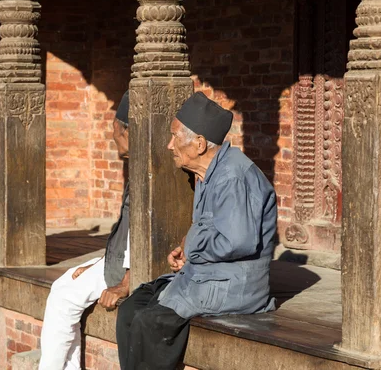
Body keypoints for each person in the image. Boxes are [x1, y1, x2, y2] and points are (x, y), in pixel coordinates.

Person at [116, 91, 277, 370]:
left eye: (175, 136)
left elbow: (238, 241)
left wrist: (191, 246)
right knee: (132, 308)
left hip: (233, 285)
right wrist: (187, 248)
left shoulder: (232, 177)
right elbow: (211, 231)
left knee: (150, 322)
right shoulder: (205, 174)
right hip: (206, 275)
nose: (169, 145)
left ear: (199, 143)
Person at [38, 91, 131, 370]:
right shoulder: (137, 166)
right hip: (120, 262)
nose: (112, 137)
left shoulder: (149, 170)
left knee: (64, 298)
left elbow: (144, 232)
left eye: (115, 130)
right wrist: (97, 263)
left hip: (135, 270)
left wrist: (127, 282)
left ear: (127, 132)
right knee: (64, 284)